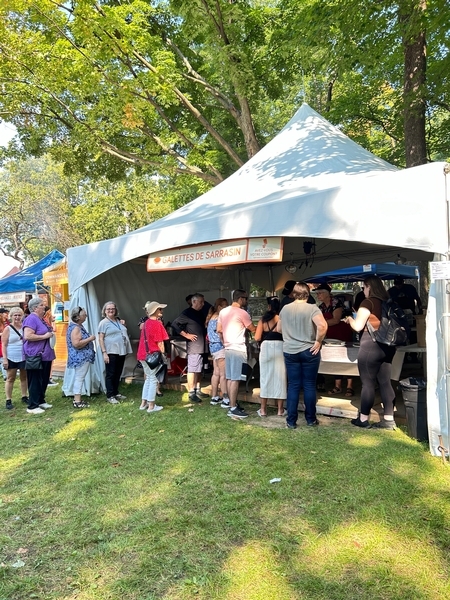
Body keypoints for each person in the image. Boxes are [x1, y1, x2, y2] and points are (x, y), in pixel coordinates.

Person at [344, 275, 397, 429]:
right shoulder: (387, 302)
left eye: (363, 287)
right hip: (387, 346)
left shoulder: (368, 302)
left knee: (367, 383)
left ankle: (363, 419)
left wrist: (350, 320)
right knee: (385, 382)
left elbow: (358, 326)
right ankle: (388, 419)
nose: (363, 290)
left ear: (369, 286)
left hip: (370, 345)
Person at [277, 282, 328, 428]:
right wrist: (318, 341)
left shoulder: (285, 308)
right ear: (307, 294)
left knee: (293, 385)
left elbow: (279, 329)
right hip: (308, 349)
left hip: (290, 350)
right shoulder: (312, 308)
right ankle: (311, 419)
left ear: (293, 294)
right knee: (309, 385)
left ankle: (291, 421)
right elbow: (322, 325)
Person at [217, 289, 256, 419]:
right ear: (240, 299)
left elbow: (219, 330)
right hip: (238, 349)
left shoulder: (223, 311)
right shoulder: (242, 313)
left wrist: (224, 343)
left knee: (230, 377)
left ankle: (231, 404)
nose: (246, 301)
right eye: (246, 298)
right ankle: (233, 408)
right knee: (236, 379)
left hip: (228, 348)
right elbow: (253, 329)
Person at [314, 283, 354, 397]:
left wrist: (322, 325)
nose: (318, 295)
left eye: (320, 293)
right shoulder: (321, 307)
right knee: (336, 360)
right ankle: (338, 386)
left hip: (342, 333)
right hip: (330, 335)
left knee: (347, 359)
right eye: (317, 293)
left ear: (327, 294)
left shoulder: (336, 303)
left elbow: (336, 320)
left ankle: (349, 386)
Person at [172, 293, 209, 403]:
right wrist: (186, 335)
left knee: (199, 369)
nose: (203, 304)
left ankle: (197, 389)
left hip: (202, 346)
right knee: (192, 369)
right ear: (194, 302)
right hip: (194, 347)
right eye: (201, 302)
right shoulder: (187, 313)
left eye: (203, 302)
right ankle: (191, 392)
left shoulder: (200, 313)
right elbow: (175, 324)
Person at [22, 297, 56, 414]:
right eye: (42, 305)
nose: (44, 307)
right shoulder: (31, 319)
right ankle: (32, 405)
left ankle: (41, 400)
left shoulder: (42, 319)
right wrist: (44, 337)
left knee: (44, 379)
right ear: (35, 308)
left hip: (46, 355)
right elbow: (28, 336)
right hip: (35, 355)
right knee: (35, 380)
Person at [254, 297, 286, 417]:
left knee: (265, 377)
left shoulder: (263, 319)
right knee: (281, 377)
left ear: (269, 307)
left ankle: (263, 410)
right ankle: (280, 410)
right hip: (279, 347)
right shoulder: (282, 318)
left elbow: (257, 337)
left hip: (266, 347)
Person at [136, 301, 169, 413]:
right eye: (160, 309)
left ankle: (143, 403)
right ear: (155, 311)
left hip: (143, 354)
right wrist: (163, 355)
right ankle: (151, 405)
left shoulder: (146, 323)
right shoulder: (157, 323)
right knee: (154, 379)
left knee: (149, 379)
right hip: (152, 355)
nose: (162, 311)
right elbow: (160, 342)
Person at [98, 301, 132, 404]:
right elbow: (100, 338)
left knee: (118, 373)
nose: (111, 310)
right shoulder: (103, 323)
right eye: (108, 309)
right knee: (111, 373)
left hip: (121, 350)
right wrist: (104, 352)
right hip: (110, 351)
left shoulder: (118, 320)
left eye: (112, 308)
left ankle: (116, 392)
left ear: (116, 310)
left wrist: (124, 324)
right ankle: (110, 395)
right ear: (105, 311)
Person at [66, 307, 96, 408]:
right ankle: (77, 401)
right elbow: (76, 344)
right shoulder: (76, 328)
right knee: (79, 378)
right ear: (78, 317)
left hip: (81, 357)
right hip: (80, 357)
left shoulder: (76, 326)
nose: (86, 316)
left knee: (79, 377)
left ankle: (77, 399)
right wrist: (90, 339)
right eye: (84, 315)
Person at [1, 306, 28, 410]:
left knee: (24, 377)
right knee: (10, 378)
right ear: (11, 316)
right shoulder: (7, 329)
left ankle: (24, 396)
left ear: (22, 316)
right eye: (15, 315)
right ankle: (8, 399)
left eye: (19, 315)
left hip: (23, 355)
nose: (17, 317)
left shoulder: (24, 327)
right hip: (11, 355)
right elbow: (4, 344)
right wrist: (5, 358)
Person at [205, 298, 229, 406]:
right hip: (220, 347)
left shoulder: (211, 317)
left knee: (216, 373)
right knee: (223, 375)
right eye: (225, 306)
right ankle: (225, 398)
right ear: (219, 307)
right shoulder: (220, 318)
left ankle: (214, 397)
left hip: (213, 348)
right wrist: (225, 344)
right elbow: (220, 333)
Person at [43, 305, 58, 387]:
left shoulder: (47, 321)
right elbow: (53, 330)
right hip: (47, 344)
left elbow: (55, 329)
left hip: (50, 343)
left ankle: (49, 377)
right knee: (49, 360)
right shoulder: (45, 321)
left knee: (51, 360)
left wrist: (53, 321)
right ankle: (49, 377)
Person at [0, 307, 10, 381]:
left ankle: (6, 375)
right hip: (1, 342)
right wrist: (2, 334)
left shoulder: (7, 322)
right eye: (5, 313)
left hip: (6, 342)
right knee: (2, 359)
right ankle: (5, 376)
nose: (7, 314)